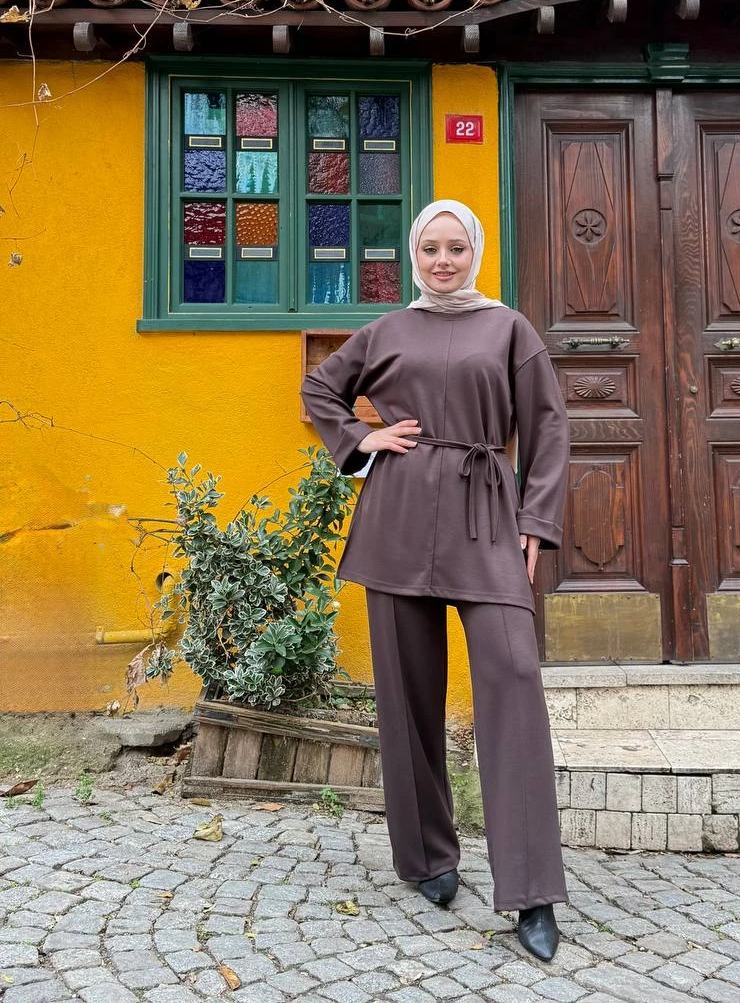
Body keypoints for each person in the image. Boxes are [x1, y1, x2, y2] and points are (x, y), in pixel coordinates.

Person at [300, 198, 570, 962]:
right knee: (407, 693)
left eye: (456, 247)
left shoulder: (509, 329)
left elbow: (549, 427)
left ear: (474, 252)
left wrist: (536, 520)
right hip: (398, 519)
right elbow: (320, 389)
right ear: (414, 257)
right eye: (430, 248)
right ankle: (428, 859)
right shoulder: (386, 331)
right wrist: (364, 438)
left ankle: (532, 892)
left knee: (513, 678)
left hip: (486, 518)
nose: (443, 260)